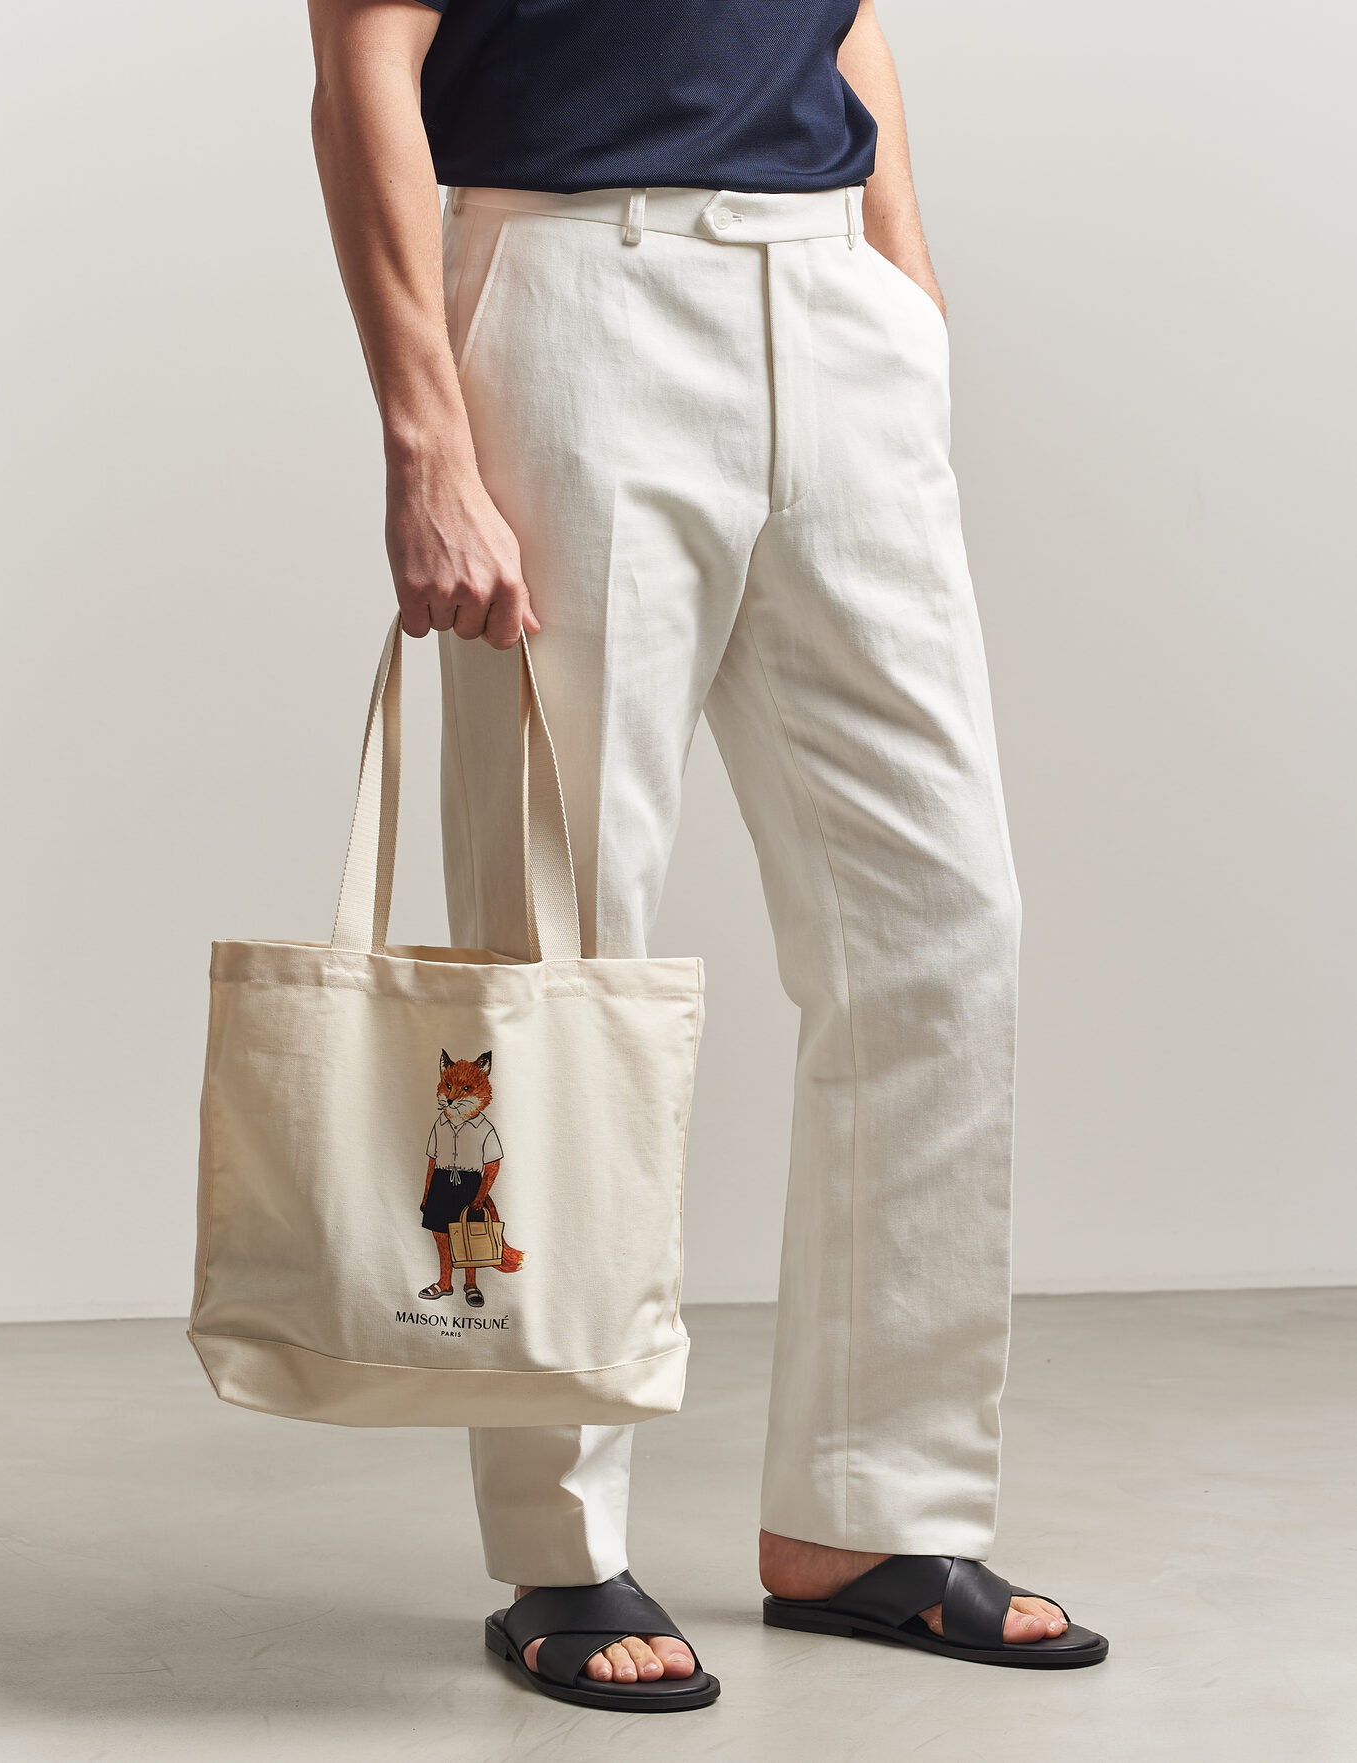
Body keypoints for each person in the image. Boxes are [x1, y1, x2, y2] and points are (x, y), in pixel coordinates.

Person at [305, 0, 1108, 1709]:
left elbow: (848, 18)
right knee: (556, 945)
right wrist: (425, 439)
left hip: (833, 306)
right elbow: (366, 54)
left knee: (941, 934)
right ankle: (558, 1546)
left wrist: (903, 290)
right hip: (575, 294)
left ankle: (871, 1516)